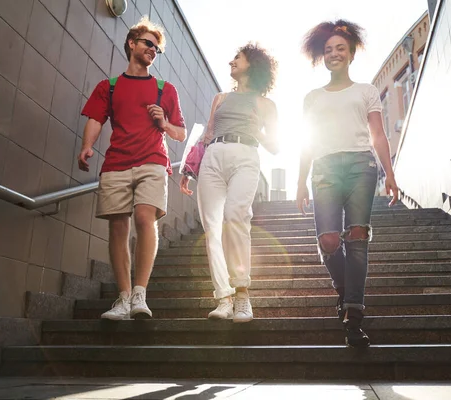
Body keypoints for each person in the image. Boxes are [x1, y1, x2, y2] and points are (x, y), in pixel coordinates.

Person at [297, 20, 399, 347]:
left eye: (340, 48)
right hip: (324, 168)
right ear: (322, 57)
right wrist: (300, 181)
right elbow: (306, 142)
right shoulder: (312, 97)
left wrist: (391, 174)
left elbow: (378, 135)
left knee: (357, 236)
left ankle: (353, 315)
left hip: (360, 165)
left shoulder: (366, 91)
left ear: (351, 53)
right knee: (328, 240)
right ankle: (345, 290)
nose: (334, 54)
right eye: (328, 50)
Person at [78, 16, 186, 320]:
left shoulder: (166, 89)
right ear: (132, 44)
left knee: (144, 216)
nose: (153, 50)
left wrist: (163, 122)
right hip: (117, 162)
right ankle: (123, 298)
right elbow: (96, 119)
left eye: (157, 48)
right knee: (117, 227)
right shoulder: (109, 87)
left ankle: (140, 293)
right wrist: (87, 146)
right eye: (148, 44)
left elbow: (180, 133)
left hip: (152, 159)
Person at [180, 43, 279, 323]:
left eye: (238, 58)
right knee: (212, 227)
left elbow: (276, 146)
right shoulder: (220, 98)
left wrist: (257, 129)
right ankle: (223, 297)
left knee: (236, 216)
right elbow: (208, 133)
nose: (231, 62)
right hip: (213, 157)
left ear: (253, 65)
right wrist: (188, 167)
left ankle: (242, 293)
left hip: (246, 156)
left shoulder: (265, 104)